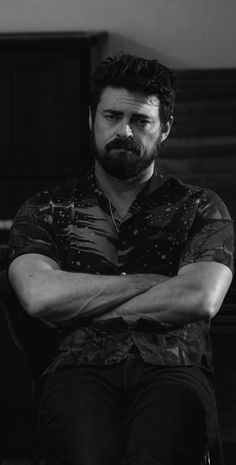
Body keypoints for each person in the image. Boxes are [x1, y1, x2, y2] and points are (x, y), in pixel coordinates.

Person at [8, 53, 234, 465]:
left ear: (164, 128)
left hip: (174, 365)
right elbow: (39, 296)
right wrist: (153, 282)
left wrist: (79, 304)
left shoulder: (201, 206)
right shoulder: (46, 208)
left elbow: (200, 298)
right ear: (91, 118)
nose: (124, 131)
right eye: (112, 116)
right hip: (76, 368)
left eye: (141, 121)